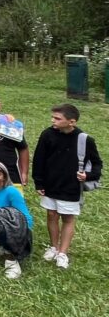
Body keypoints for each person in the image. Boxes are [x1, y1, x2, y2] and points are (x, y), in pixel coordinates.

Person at [32, 103, 102, 270]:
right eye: (53, 117)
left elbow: (97, 163)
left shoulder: (85, 139)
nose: (53, 121)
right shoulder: (47, 134)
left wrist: (88, 176)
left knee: (68, 218)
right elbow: (39, 159)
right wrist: (39, 182)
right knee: (51, 215)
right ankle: (54, 247)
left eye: (57, 118)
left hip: (71, 187)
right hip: (50, 184)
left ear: (72, 122)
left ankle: (63, 253)